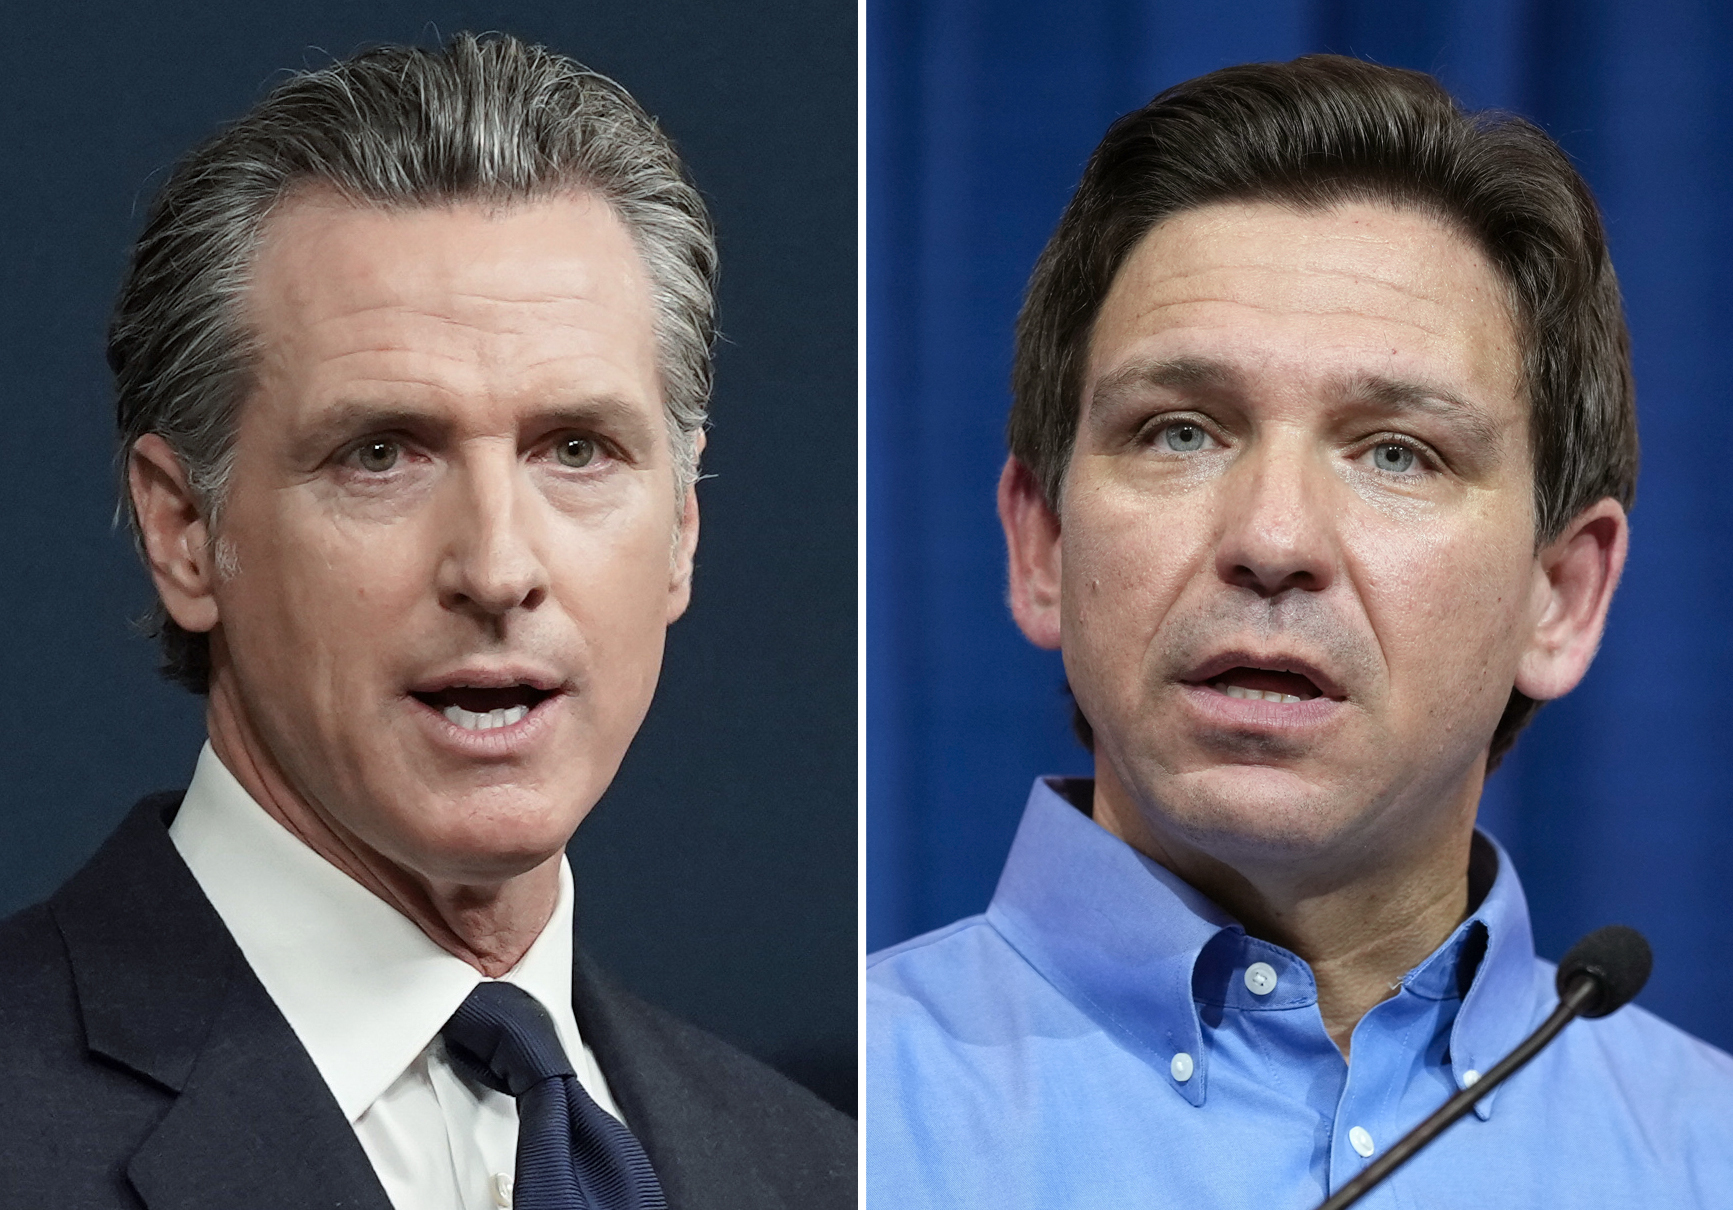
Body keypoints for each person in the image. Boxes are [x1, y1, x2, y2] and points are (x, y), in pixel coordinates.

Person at [0, 32, 852, 1210]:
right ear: (183, 531)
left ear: (682, 530)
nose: (497, 567)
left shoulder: (816, 1169)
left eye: (576, 450)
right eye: (382, 454)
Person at [867, 54, 1733, 1208]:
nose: (1272, 538)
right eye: (1180, 431)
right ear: (1041, 547)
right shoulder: (825, 1128)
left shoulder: (1705, 1156)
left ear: (1560, 596)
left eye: (1395, 453)